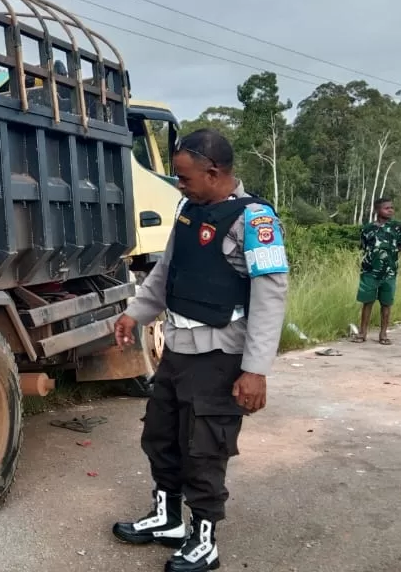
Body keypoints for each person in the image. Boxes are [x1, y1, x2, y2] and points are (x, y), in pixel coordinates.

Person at [109, 129, 289, 572]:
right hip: (178, 351)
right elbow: (167, 270)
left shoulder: (255, 222)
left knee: (204, 448)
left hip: (220, 356)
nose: (178, 184)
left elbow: (270, 296)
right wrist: (136, 313)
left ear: (213, 172)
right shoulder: (189, 209)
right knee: (161, 434)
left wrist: (256, 370)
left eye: (185, 177)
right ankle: (167, 519)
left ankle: (204, 540)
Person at [352, 197, 401, 345]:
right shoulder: (367, 228)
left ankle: (383, 334)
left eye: (392, 208)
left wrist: (388, 256)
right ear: (377, 210)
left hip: (389, 272)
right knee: (367, 302)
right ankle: (362, 333)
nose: (390, 210)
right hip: (369, 271)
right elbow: (364, 247)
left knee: (386, 303)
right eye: (386, 208)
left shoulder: (397, 227)